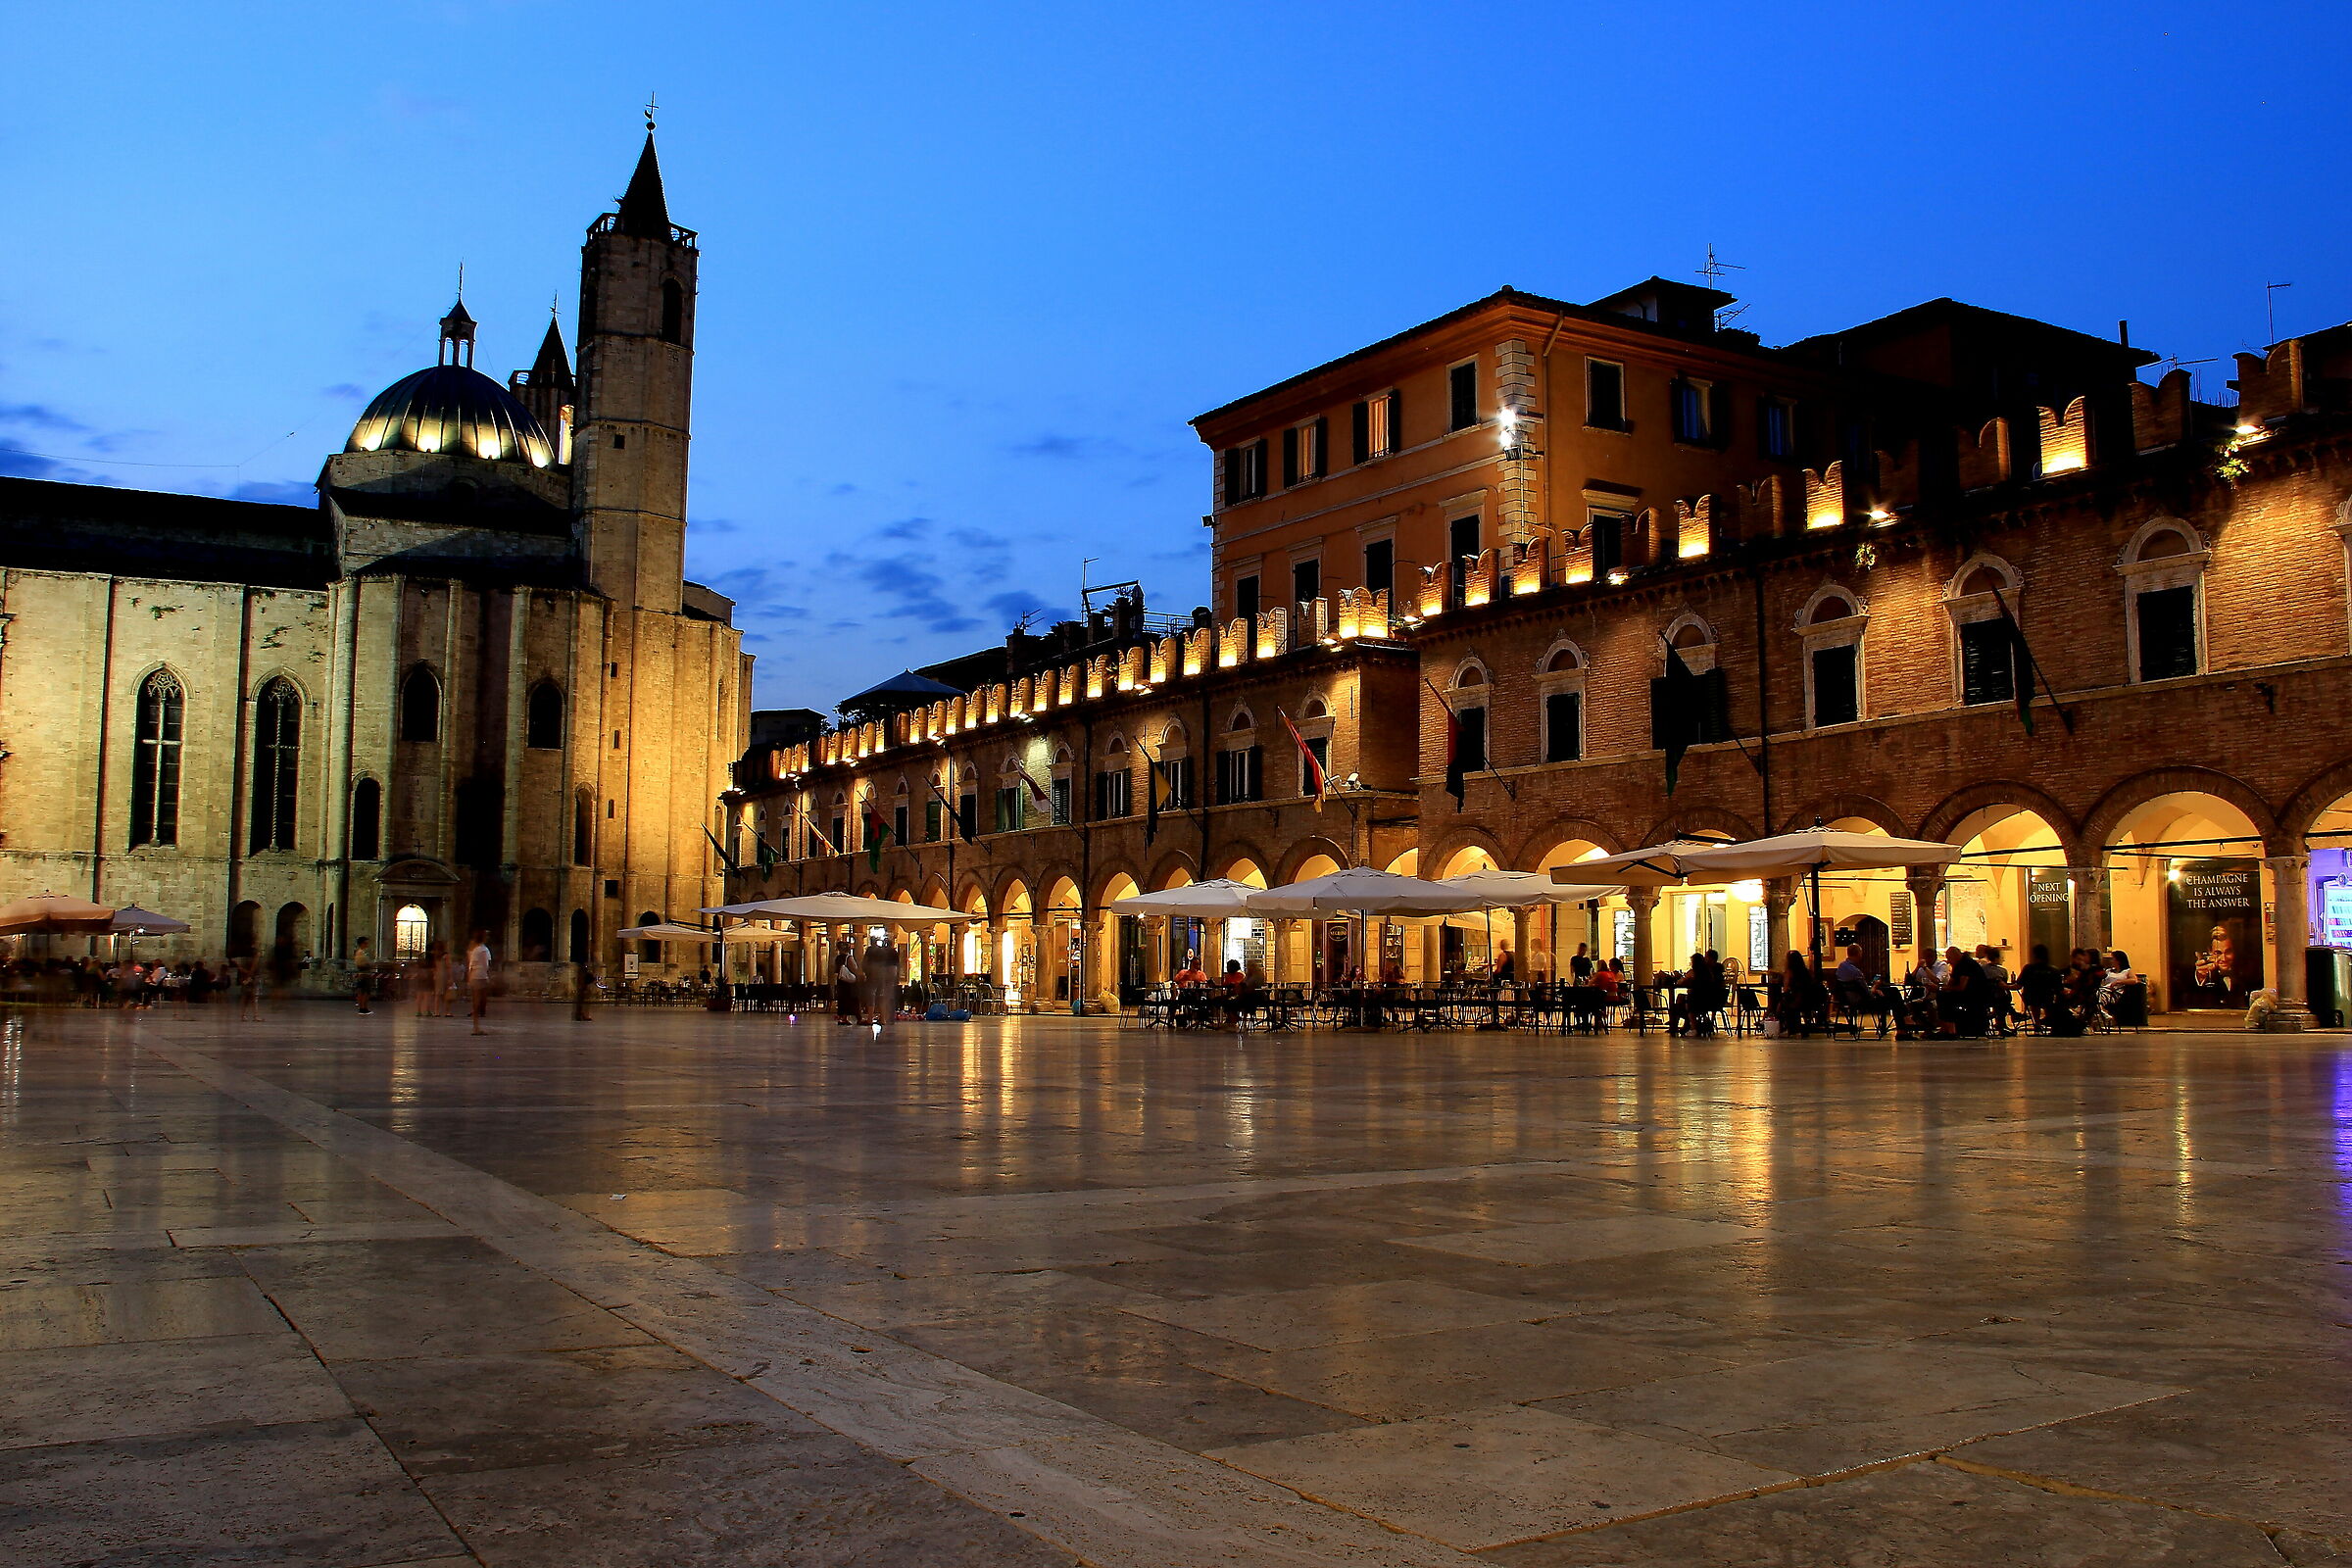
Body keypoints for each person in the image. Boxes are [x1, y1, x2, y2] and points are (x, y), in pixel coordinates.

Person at [2017, 944, 2062, 1032]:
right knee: (2048, 1001)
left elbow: (2018, 984)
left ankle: (2037, 1023)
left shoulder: (2029, 969)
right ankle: (2051, 1021)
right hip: (2048, 998)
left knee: (2035, 1001)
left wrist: (2005, 986)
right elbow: (2059, 989)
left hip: (2030, 998)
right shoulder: (2053, 970)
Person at [466, 929, 494, 1035]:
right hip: (480, 977)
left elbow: (471, 965)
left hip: (476, 976)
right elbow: (486, 965)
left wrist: (469, 978)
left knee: (477, 1003)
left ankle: (476, 1026)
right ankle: (476, 1027)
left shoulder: (476, 950)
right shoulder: (483, 950)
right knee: (478, 1003)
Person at [833, 945, 862, 1024]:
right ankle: (858, 1018)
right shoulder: (848, 957)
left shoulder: (838, 958)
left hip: (841, 980)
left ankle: (843, 1018)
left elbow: (835, 969)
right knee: (853, 999)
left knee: (843, 1000)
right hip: (849, 982)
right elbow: (854, 968)